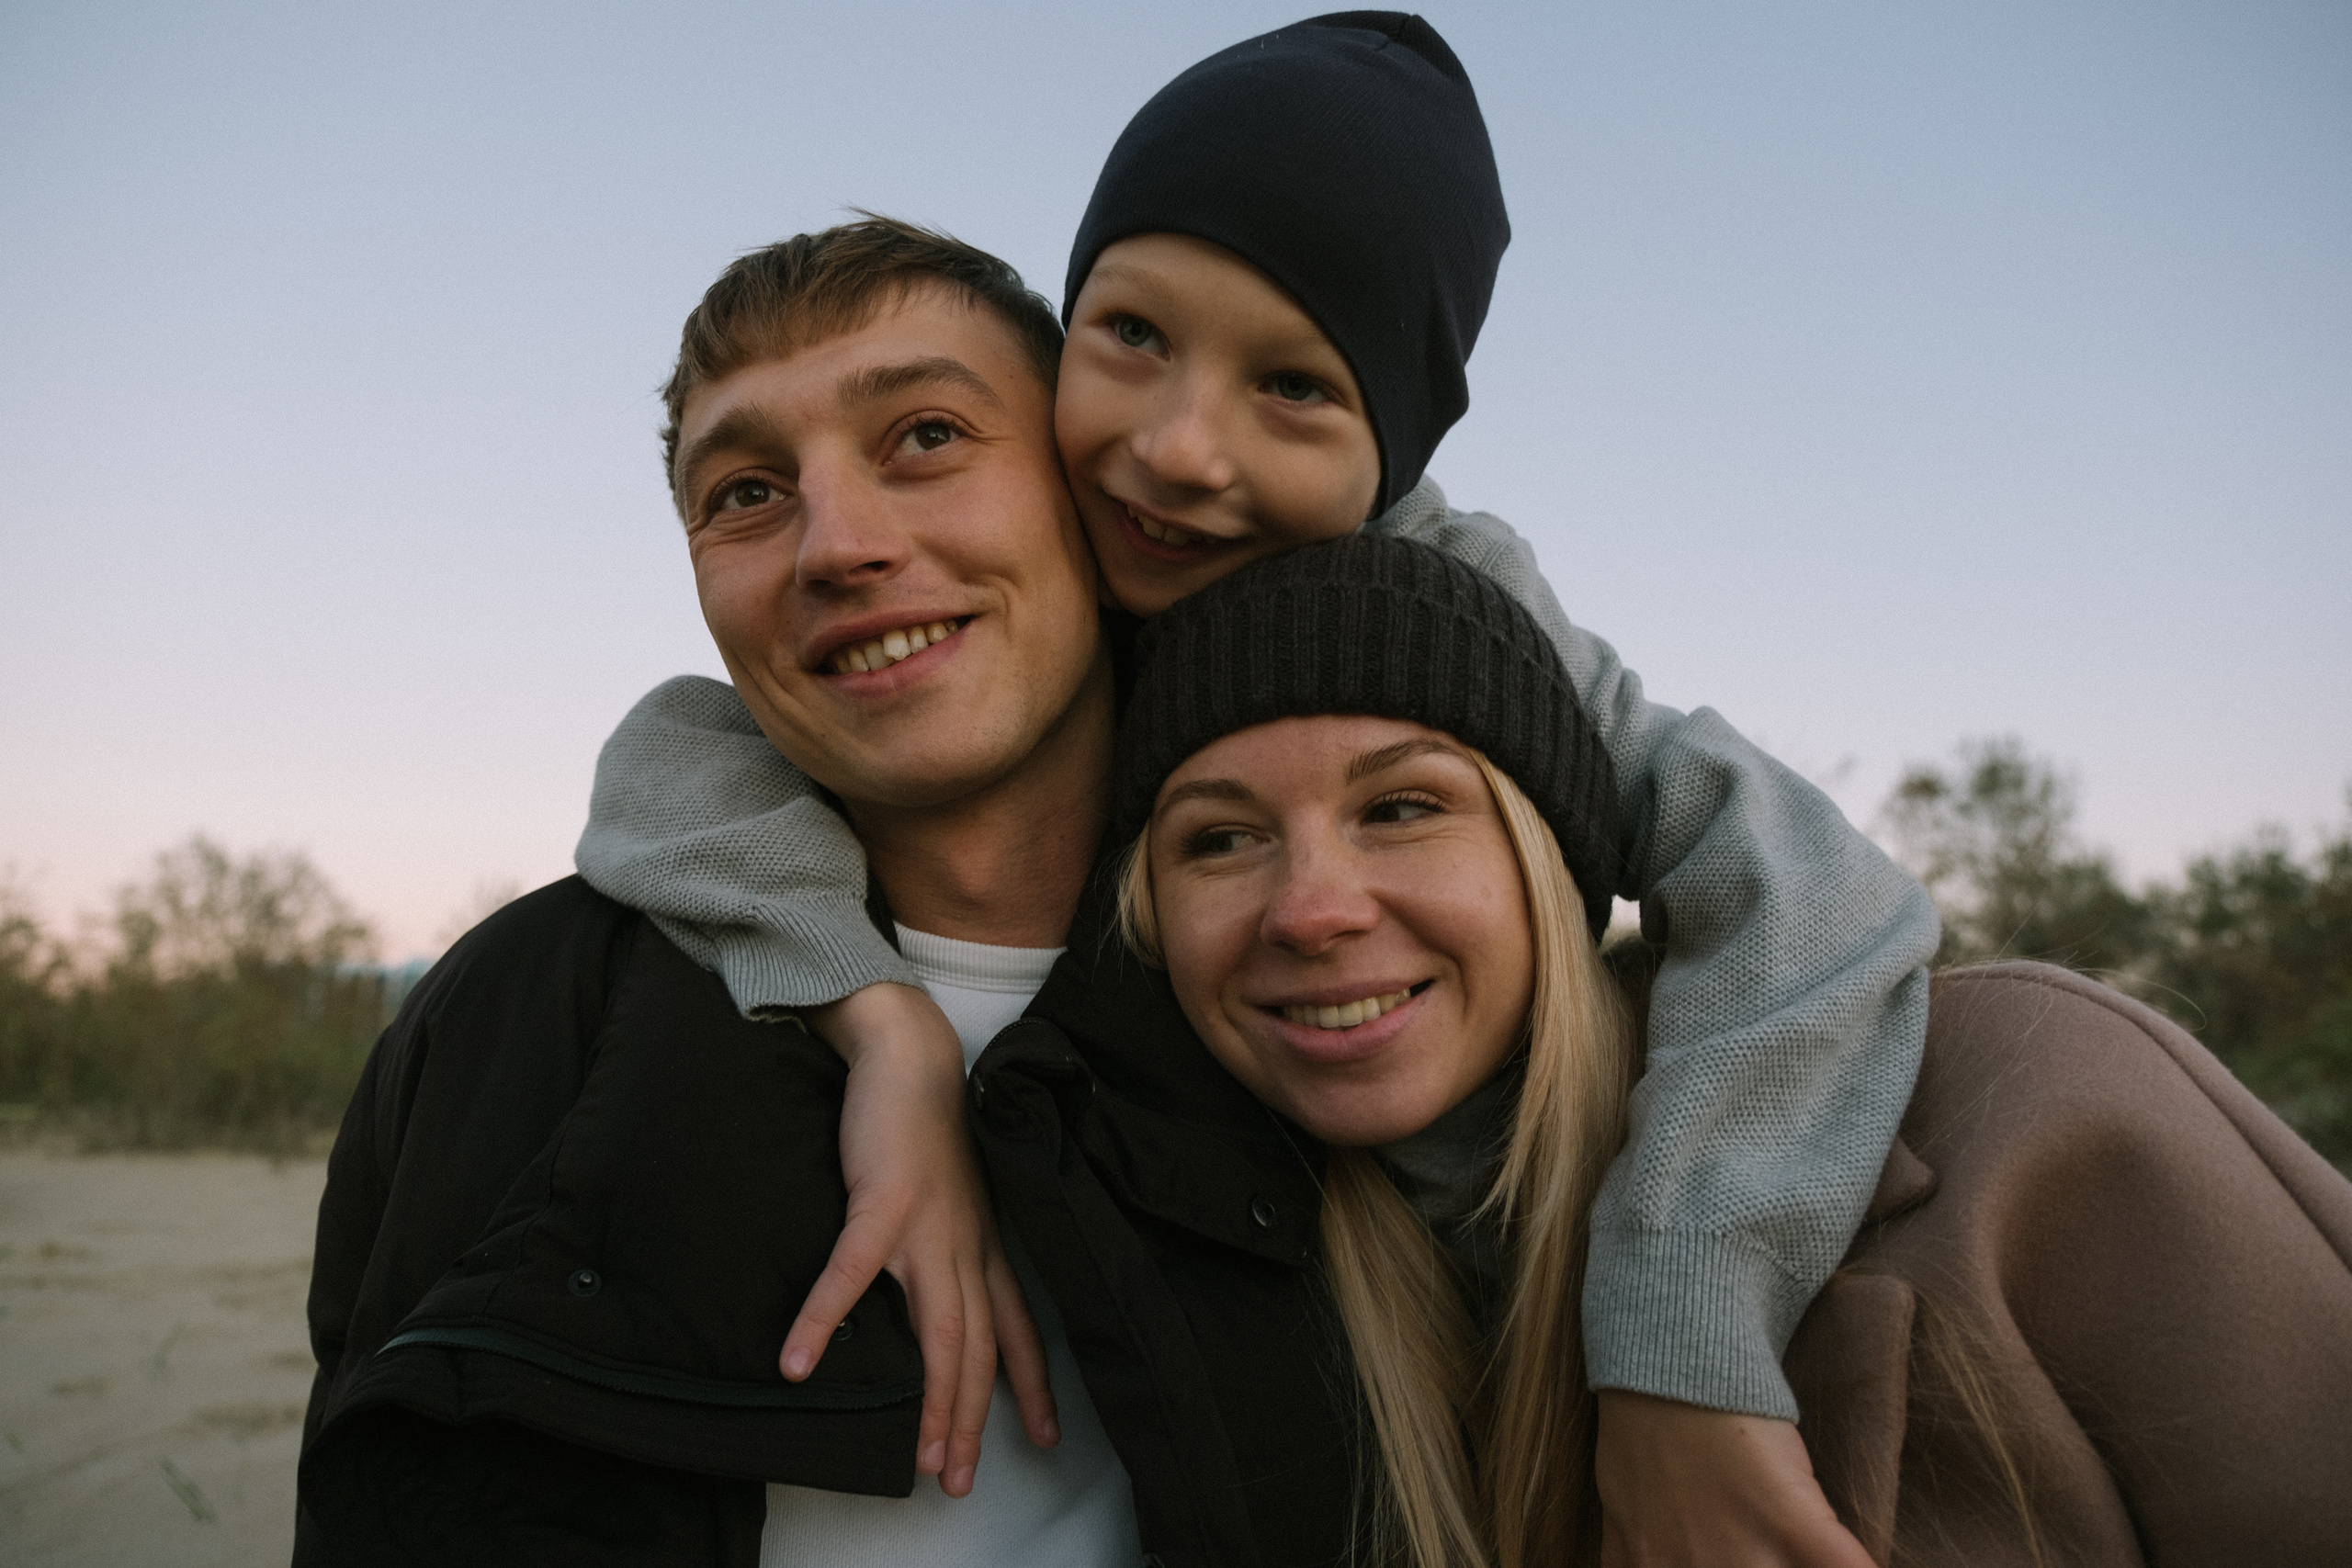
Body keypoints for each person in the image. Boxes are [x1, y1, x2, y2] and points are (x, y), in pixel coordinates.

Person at [578, 17, 1941, 1549]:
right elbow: (676, 746)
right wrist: (878, 1015)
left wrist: (1681, 1344)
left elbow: (1799, 877)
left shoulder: (1443, 602)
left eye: (1295, 387)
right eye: (1135, 338)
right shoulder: (1035, 546)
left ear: (1395, 449)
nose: (1175, 451)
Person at [969, 533, 2352, 1568]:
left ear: (1556, 863)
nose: (1314, 907)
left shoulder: (2039, 1106)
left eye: (1403, 807)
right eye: (1218, 838)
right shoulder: (1261, 1331)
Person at [297, 224, 1141, 1564]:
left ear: (1096, 491)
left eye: (926, 434)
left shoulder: (1316, 965)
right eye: (746, 492)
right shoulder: (521, 1010)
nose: (836, 545)